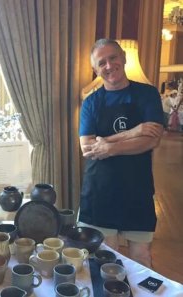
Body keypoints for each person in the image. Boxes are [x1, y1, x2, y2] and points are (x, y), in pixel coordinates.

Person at [78, 38, 164, 268]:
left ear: (123, 58)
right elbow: (87, 148)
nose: (109, 66)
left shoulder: (147, 94)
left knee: (141, 257)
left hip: (137, 188)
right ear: (95, 69)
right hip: (100, 190)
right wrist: (132, 132)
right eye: (101, 62)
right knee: (106, 256)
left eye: (113, 57)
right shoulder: (91, 102)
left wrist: (108, 146)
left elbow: (151, 139)